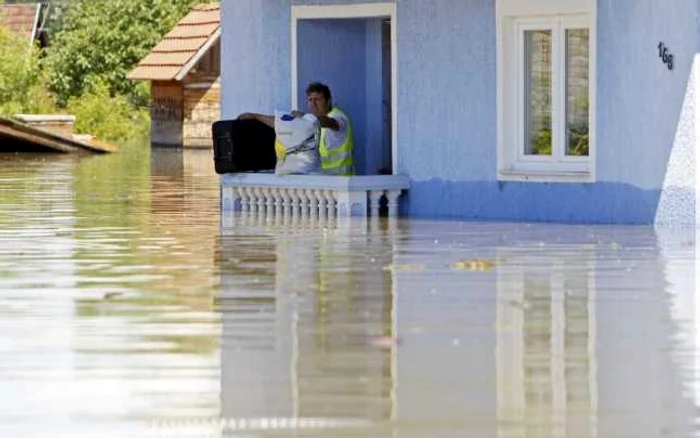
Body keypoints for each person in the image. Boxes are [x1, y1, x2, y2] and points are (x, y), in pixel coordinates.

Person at [238, 82, 355, 176]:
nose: (313, 104)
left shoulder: (338, 117)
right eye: (310, 100)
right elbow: (281, 123)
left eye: (318, 100)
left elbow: (328, 122)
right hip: (325, 181)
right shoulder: (310, 122)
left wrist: (304, 117)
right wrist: (256, 116)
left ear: (328, 101)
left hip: (343, 182)